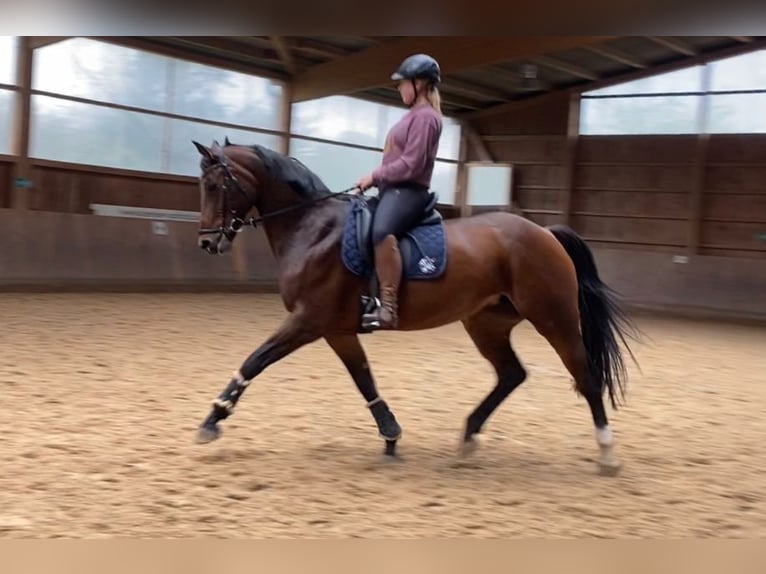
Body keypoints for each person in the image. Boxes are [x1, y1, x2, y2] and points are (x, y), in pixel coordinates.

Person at [355, 53, 444, 331]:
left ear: (420, 84)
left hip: (409, 191)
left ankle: (389, 307)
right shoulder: (413, 117)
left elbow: (413, 164)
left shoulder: (426, 118)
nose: (400, 88)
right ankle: (365, 294)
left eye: (404, 83)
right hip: (392, 190)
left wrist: (375, 175)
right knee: (359, 222)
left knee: (381, 231)